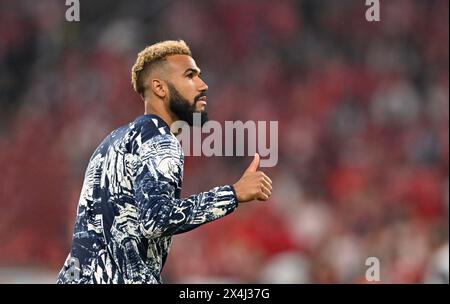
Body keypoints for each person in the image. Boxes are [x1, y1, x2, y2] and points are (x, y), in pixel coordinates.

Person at [56, 40, 273, 284]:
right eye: (190, 76)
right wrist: (233, 193)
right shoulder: (161, 140)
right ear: (160, 88)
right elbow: (157, 219)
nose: (203, 85)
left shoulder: (110, 142)